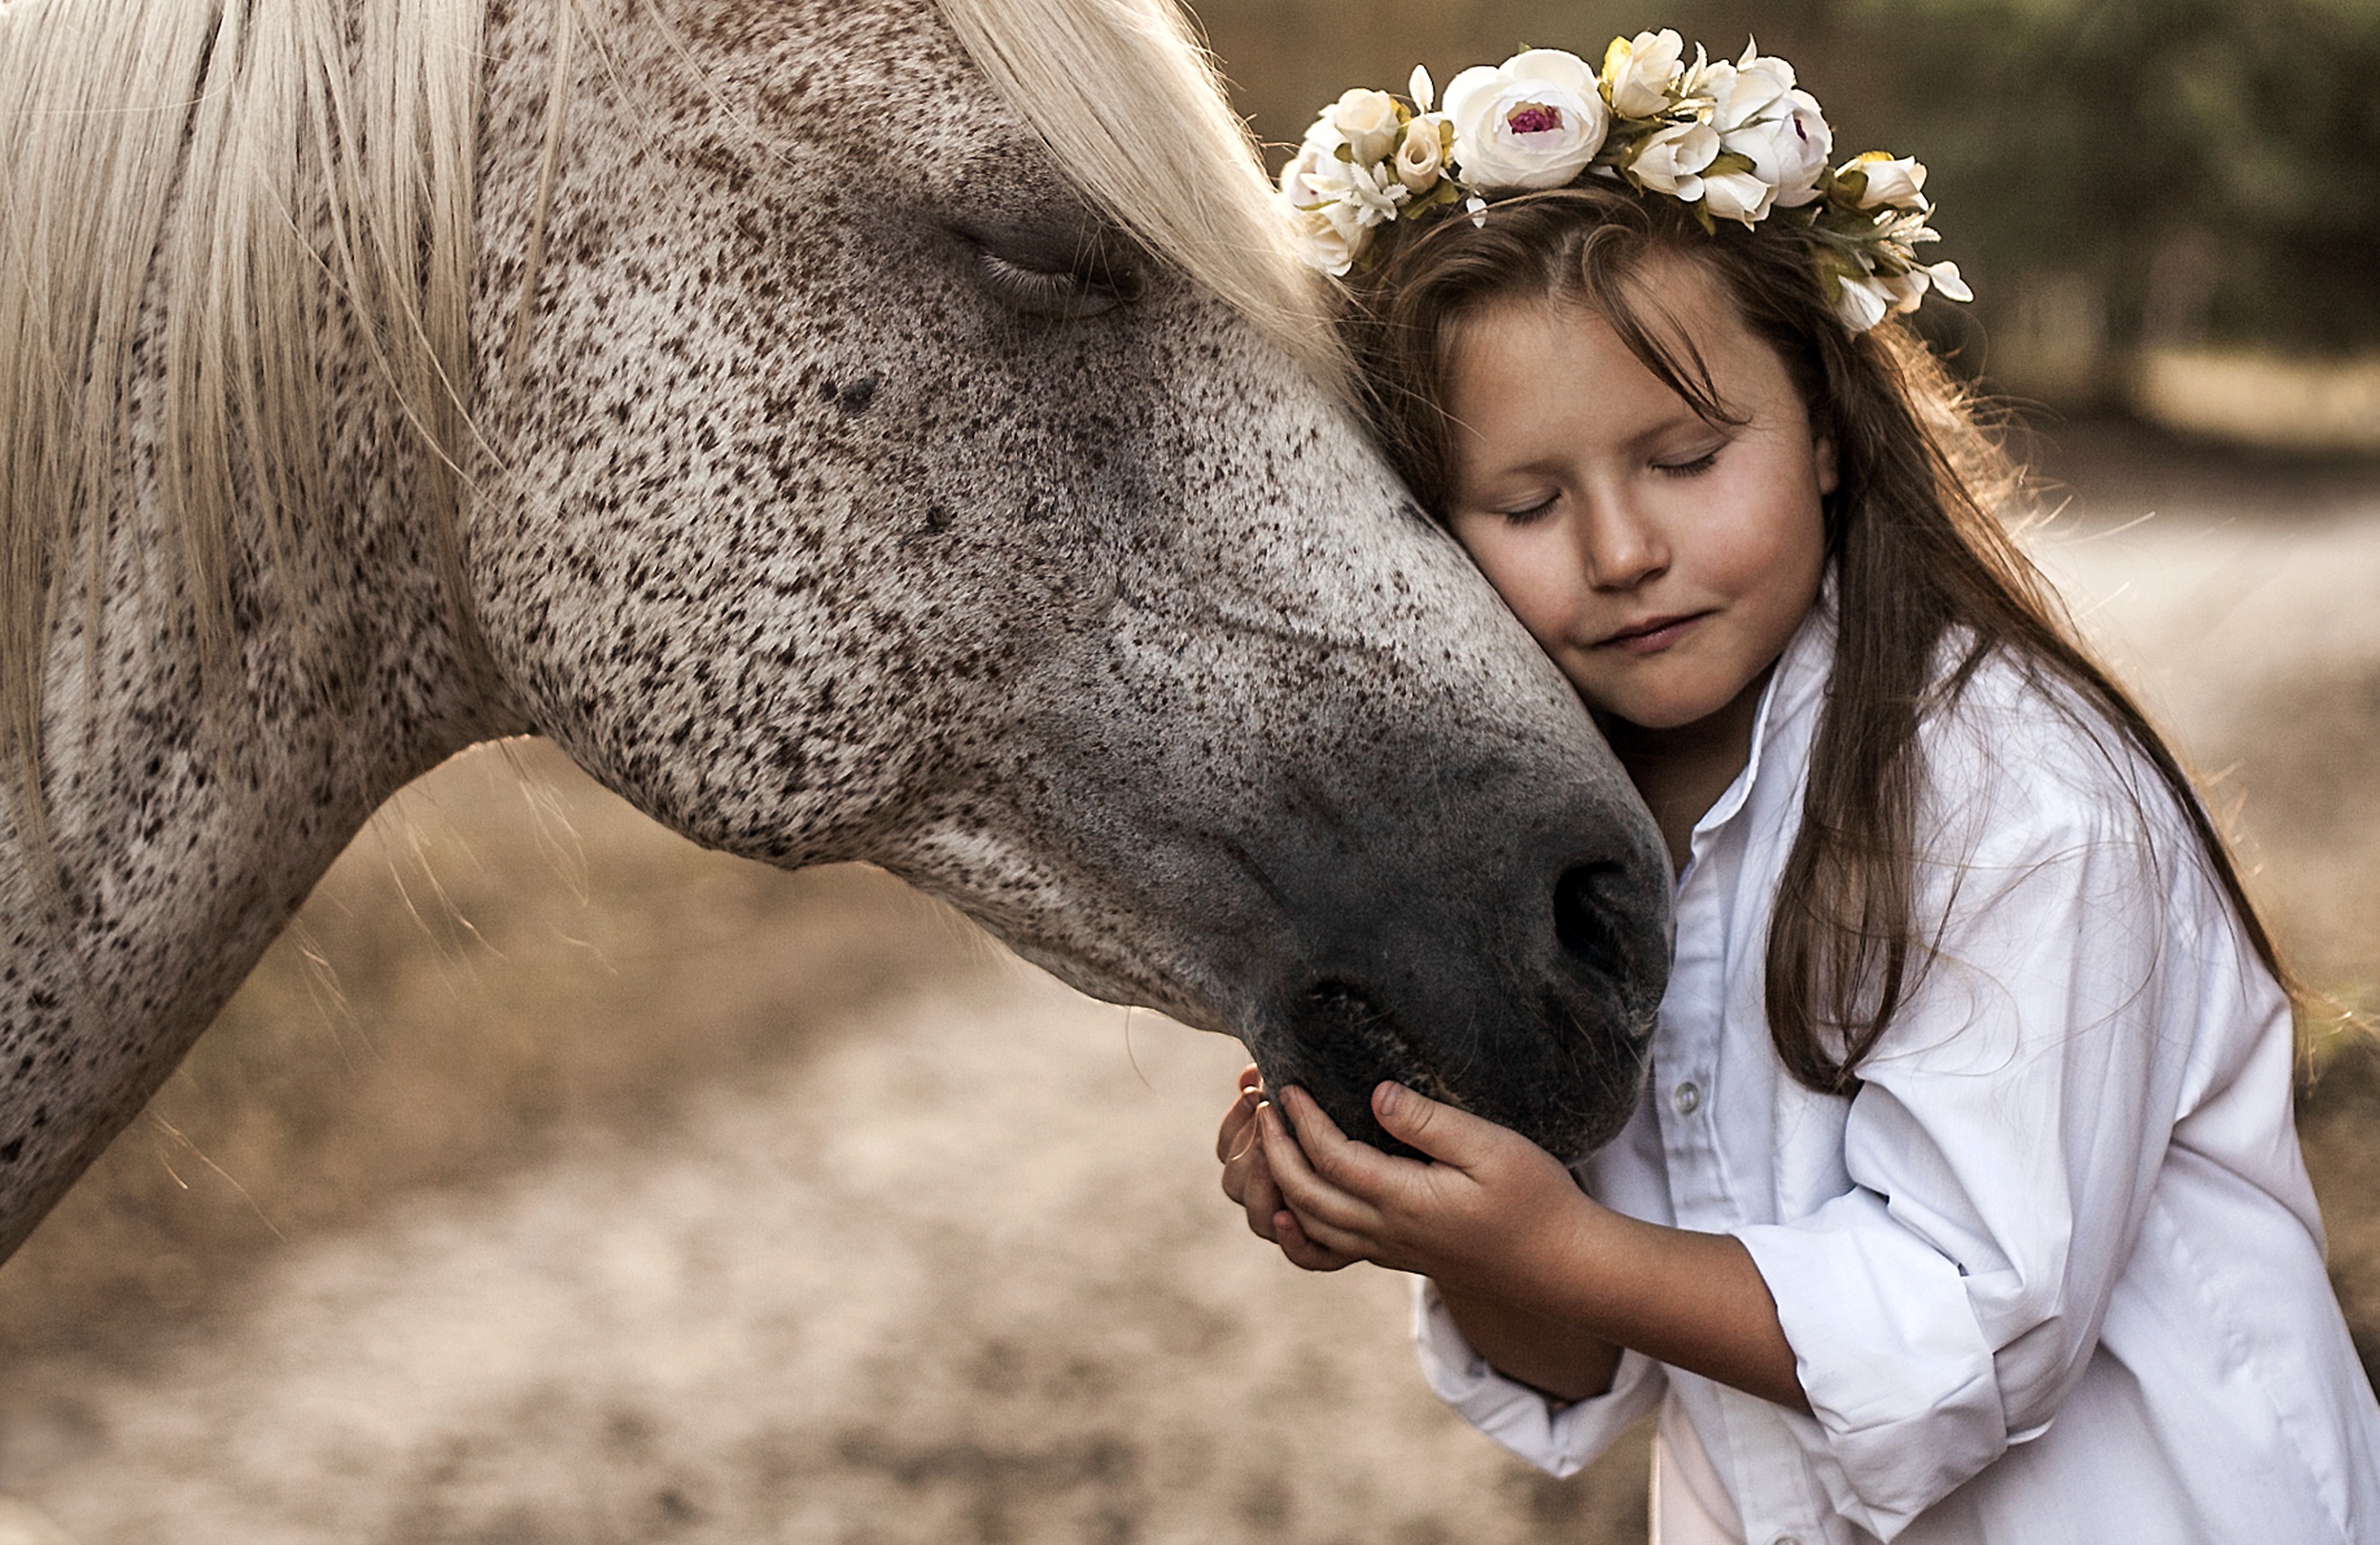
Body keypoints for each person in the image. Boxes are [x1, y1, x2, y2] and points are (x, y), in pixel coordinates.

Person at [1218, 33, 2380, 1545]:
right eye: (1527, 501)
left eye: (1688, 458)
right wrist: (1436, 1214)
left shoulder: (2020, 797)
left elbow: (1976, 1321)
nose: (1622, 549)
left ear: (1827, 428)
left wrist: (1560, 1246)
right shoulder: (1558, 853)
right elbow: (1581, 1358)